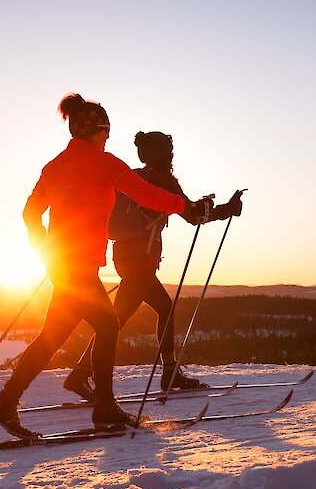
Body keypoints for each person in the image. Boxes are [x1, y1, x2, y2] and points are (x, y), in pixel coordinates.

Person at [0, 96, 213, 440]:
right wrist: (186, 205)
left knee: (52, 338)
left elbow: (30, 213)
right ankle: (104, 408)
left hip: (61, 265)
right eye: (105, 133)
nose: (107, 139)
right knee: (107, 326)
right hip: (77, 267)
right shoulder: (103, 163)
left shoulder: (55, 165)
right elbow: (147, 195)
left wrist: (45, 249)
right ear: (94, 131)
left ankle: (4, 403)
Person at [64, 130, 245, 401]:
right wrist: (227, 209)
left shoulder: (134, 176)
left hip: (123, 257)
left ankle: (164, 371)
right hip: (141, 260)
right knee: (116, 321)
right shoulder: (165, 181)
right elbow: (194, 215)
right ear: (165, 154)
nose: (172, 156)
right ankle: (84, 373)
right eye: (170, 151)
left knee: (156, 310)